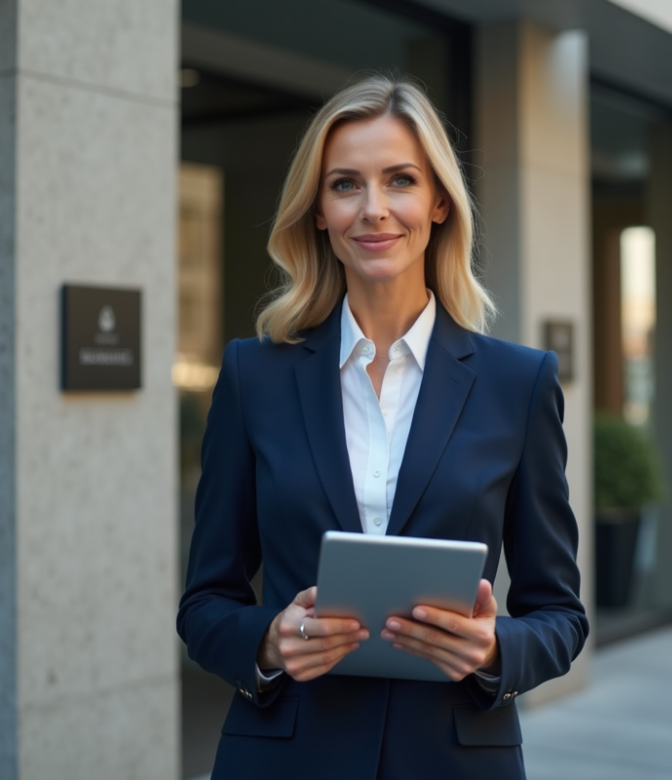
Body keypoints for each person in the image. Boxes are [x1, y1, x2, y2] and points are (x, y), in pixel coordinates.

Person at [177, 75, 588, 780]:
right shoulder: (254, 377)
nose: (373, 210)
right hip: (285, 759)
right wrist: (270, 641)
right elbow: (205, 603)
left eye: (399, 180)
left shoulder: (518, 384)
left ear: (437, 203)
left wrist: (494, 650)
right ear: (317, 213)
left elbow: (560, 615)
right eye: (345, 185)